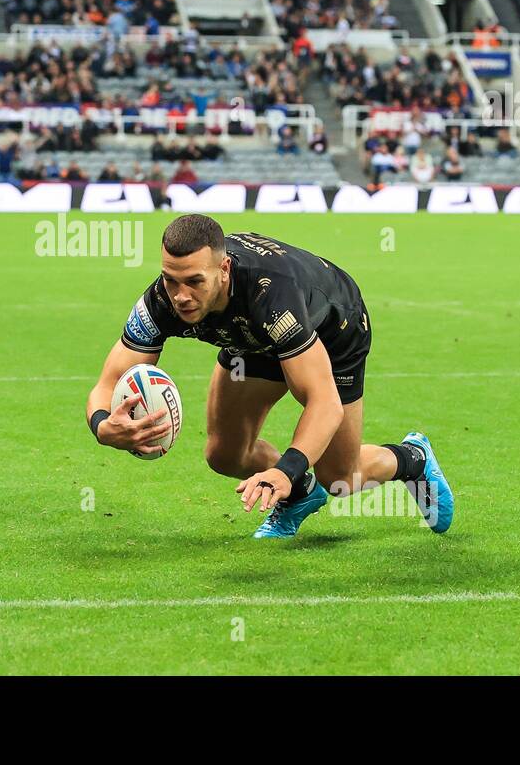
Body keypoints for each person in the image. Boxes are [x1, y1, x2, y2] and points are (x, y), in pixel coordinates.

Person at [84, 215, 454, 539]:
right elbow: (109, 381)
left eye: (194, 281)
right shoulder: (160, 301)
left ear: (224, 269)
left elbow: (323, 403)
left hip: (332, 328)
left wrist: (285, 468)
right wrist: (103, 426)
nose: (181, 297)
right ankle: (299, 495)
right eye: (171, 280)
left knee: (340, 477)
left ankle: (412, 459)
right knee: (225, 455)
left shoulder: (272, 294)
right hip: (252, 337)